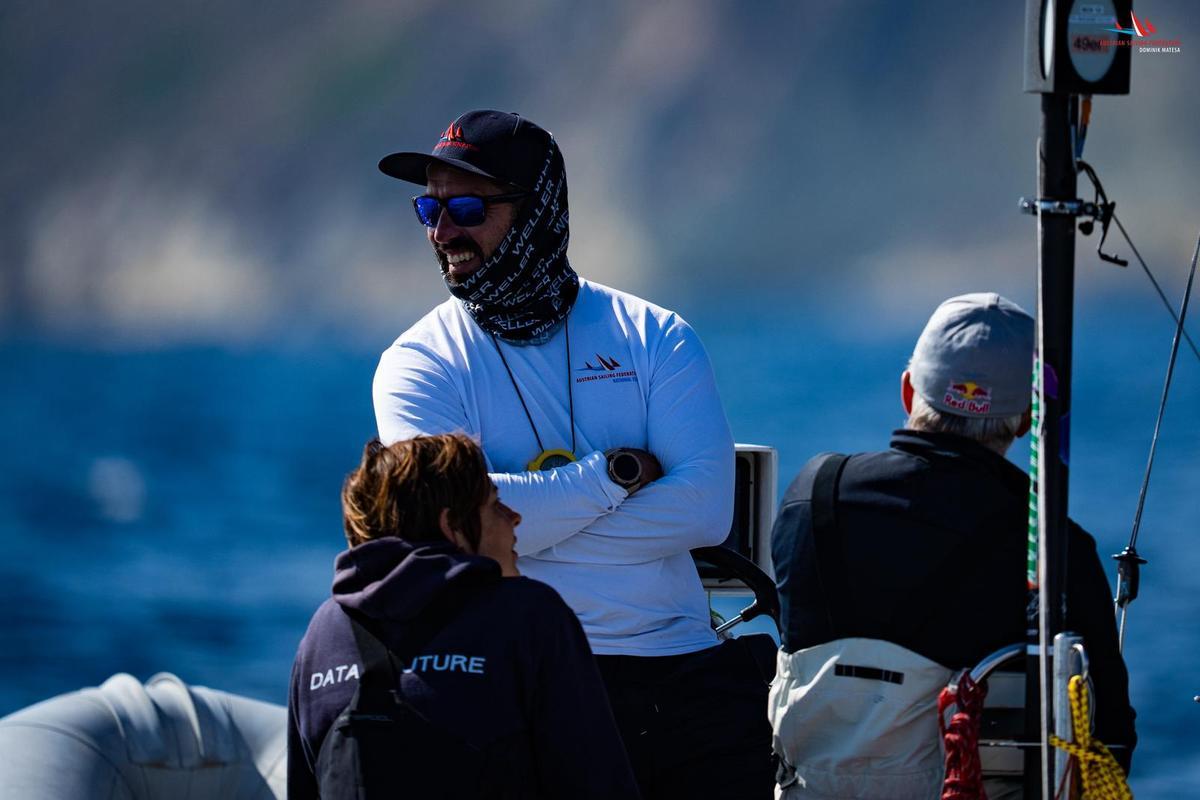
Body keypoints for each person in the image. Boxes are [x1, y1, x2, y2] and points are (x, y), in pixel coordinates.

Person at [372, 110, 774, 799]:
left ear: (538, 212)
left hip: (674, 675)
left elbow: (706, 511)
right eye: (429, 209)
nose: (443, 232)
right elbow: (448, 526)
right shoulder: (416, 363)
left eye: (466, 206)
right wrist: (610, 478)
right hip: (511, 681)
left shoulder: (656, 337)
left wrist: (516, 523)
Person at [769, 293, 1137, 798]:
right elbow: (1111, 739)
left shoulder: (814, 494)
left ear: (908, 391)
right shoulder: (1057, 547)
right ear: (1029, 420)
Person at [287, 433, 638, 799]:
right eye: (495, 505)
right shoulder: (527, 614)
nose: (515, 518)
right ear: (450, 525)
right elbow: (598, 783)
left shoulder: (325, 629)